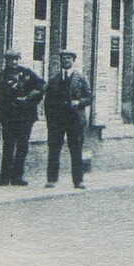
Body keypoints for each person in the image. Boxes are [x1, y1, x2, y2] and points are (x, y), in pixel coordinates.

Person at [43, 49, 93, 189]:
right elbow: (48, 102)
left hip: (75, 120)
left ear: (73, 61)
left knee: (76, 150)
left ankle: (78, 180)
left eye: (68, 59)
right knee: (54, 149)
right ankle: (51, 179)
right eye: (63, 59)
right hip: (57, 121)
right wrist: (50, 120)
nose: (65, 61)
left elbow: (89, 97)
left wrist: (79, 103)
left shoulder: (80, 78)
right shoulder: (54, 80)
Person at [0, 50, 44, 186]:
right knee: (8, 146)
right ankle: (5, 177)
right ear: (6, 60)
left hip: (26, 116)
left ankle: (17, 177)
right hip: (9, 116)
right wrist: (14, 101)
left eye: (16, 59)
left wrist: (29, 97)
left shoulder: (28, 73)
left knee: (22, 146)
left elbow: (42, 86)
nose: (14, 62)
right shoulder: (1, 76)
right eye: (11, 59)